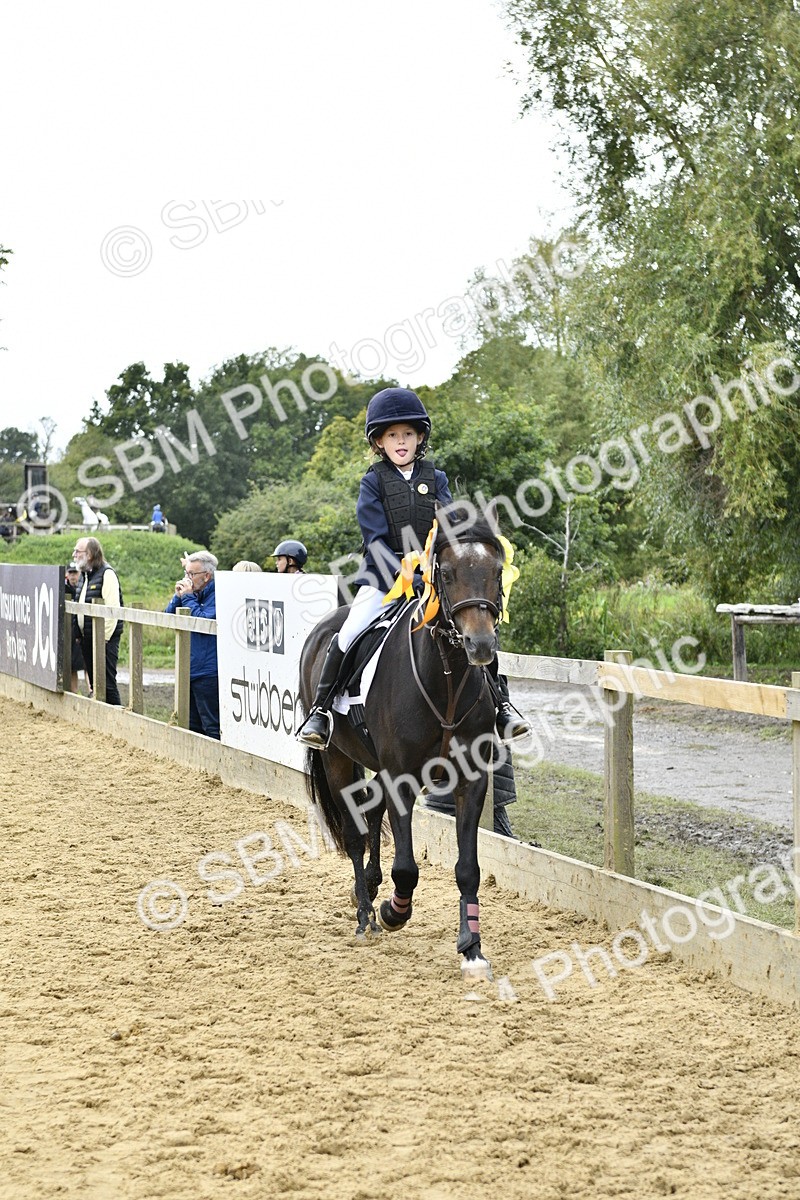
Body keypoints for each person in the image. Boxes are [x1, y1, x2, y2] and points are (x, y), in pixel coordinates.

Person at [298, 387, 530, 751]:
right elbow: (374, 540)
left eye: (407, 433)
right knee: (350, 631)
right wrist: (407, 576)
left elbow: (451, 531)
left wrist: (437, 572)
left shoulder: (435, 478)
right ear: (379, 442)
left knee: (476, 625)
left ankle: (501, 705)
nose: (400, 441)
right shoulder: (372, 482)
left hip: (433, 578)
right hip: (382, 579)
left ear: (420, 436)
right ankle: (321, 712)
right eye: (392, 435)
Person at [165, 551, 220, 739]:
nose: (187, 578)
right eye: (186, 573)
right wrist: (177, 597)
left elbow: (203, 622)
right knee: (190, 725)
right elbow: (169, 617)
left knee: (212, 726)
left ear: (207, 576)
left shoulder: (218, 594)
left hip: (208, 672)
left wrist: (188, 597)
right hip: (188, 669)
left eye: (191, 574)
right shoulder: (193, 594)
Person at [73, 537, 124, 705]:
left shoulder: (107, 574)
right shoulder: (84, 575)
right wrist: (78, 633)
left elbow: (113, 610)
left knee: (107, 683)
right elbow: (78, 605)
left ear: (89, 555)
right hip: (87, 637)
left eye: (77, 551)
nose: (74, 555)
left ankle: (118, 720)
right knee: (95, 683)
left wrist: (105, 639)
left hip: (104, 639)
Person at [64, 561, 88, 694]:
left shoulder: (84, 587)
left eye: (75, 573)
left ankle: (92, 691)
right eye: (71, 573)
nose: (73, 576)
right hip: (69, 632)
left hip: (82, 630)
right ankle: (73, 692)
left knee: (87, 664)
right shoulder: (63, 588)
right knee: (72, 666)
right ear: (67, 574)